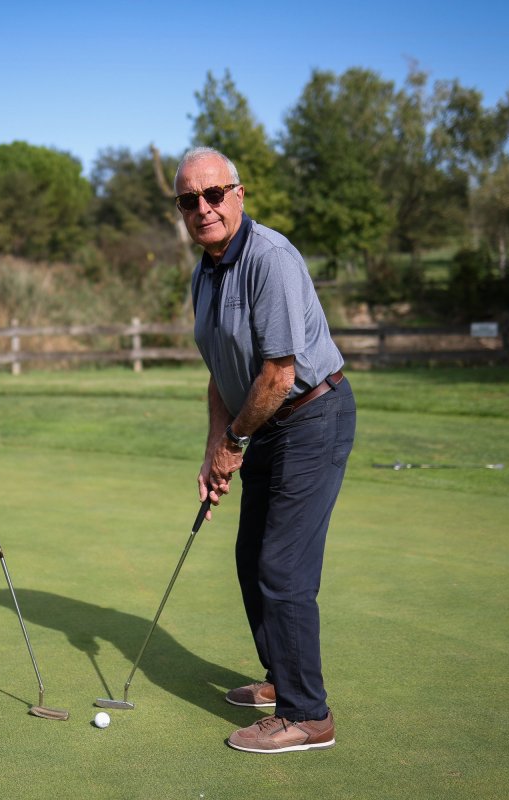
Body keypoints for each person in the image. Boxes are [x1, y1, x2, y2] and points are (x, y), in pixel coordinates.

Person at [177, 147, 356, 754]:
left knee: (282, 567)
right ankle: (283, 679)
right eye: (188, 200)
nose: (202, 208)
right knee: (251, 558)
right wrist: (213, 448)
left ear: (238, 194)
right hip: (263, 423)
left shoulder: (270, 258)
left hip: (311, 415)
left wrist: (234, 444)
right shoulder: (204, 271)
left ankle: (309, 716)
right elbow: (222, 370)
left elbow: (280, 374)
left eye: (213, 194)